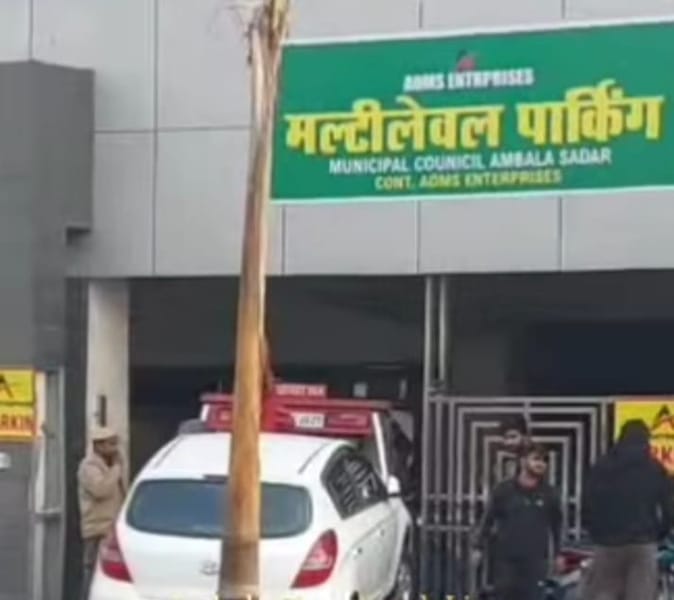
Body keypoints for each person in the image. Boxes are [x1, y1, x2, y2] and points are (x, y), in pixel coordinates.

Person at [581, 419, 674, 600]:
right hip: (642, 543)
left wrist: (595, 532)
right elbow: (668, 507)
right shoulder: (654, 469)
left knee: (603, 594)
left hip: (607, 544)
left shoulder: (602, 467)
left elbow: (588, 502)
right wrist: (658, 533)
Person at [473, 443, 564, 600]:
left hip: (535, 563)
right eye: (536, 459)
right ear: (522, 461)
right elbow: (488, 520)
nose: (541, 464)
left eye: (544, 460)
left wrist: (558, 554)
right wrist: (478, 547)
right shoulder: (504, 490)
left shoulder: (550, 494)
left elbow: (556, 526)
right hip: (506, 562)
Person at [78, 426, 126, 600]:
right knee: (92, 574)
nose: (115, 448)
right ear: (99, 446)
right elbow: (100, 490)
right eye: (110, 444)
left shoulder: (110, 465)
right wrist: (117, 469)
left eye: (115, 443)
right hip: (97, 528)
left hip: (110, 527)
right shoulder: (89, 466)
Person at [497, 414, 531, 481]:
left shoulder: (535, 459)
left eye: (513, 437)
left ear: (524, 436)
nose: (508, 442)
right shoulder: (508, 458)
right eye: (505, 438)